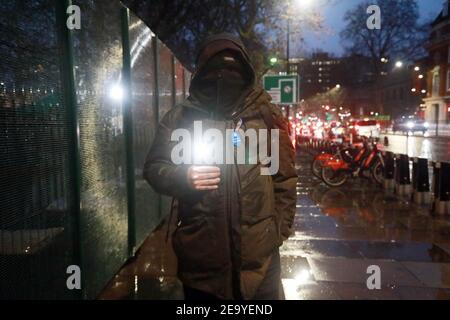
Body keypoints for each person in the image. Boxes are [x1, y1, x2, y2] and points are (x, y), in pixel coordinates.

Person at [143, 33, 297, 300]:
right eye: (216, 68)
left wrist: (276, 233)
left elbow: (284, 179)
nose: (224, 75)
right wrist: (182, 177)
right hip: (202, 262)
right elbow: (155, 167)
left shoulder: (266, 116)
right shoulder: (181, 118)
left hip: (261, 265)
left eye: (233, 68)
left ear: (245, 71)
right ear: (202, 73)